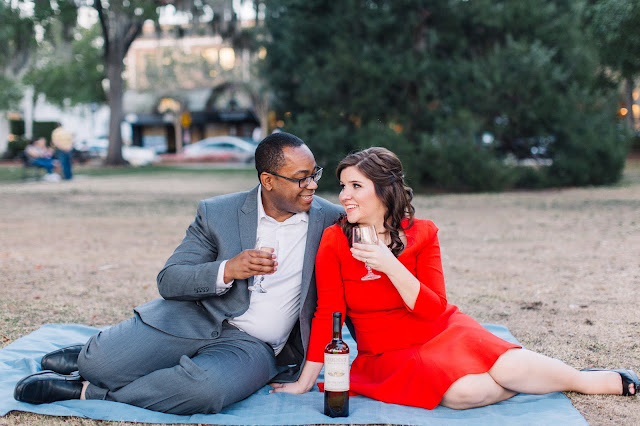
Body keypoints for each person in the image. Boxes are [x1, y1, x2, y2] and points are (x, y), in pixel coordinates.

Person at [270, 147, 638, 409]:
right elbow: (327, 313)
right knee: (465, 395)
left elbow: (434, 309)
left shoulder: (423, 233)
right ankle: (530, 378)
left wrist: (390, 264)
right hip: (386, 353)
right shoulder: (335, 240)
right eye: (343, 185)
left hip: (440, 330)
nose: (344, 196)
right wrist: (305, 381)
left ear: (384, 191)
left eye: (355, 186)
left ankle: (588, 380)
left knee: (505, 364)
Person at [13, 132, 344, 414]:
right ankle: (88, 359)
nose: (313, 185)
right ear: (268, 180)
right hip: (193, 317)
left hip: (255, 346)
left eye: (315, 173)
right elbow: (169, 280)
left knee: (206, 391)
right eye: (301, 178)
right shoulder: (217, 212)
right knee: (99, 363)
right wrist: (227, 269)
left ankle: (86, 392)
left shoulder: (331, 220)